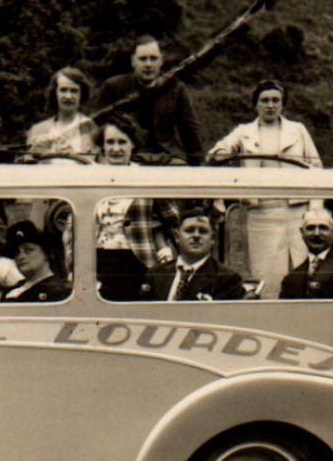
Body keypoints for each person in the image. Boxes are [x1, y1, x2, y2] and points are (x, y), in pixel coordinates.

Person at [208, 80, 323, 298]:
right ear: (256, 105)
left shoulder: (298, 130)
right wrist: (222, 151)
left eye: (275, 100)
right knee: (265, 271)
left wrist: (314, 210)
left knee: (303, 266)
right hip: (261, 213)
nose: (270, 105)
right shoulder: (244, 132)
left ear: (282, 104)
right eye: (265, 101)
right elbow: (222, 148)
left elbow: (316, 168)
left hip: (296, 211)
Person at [94, 117, 179, 301]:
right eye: (110, 142)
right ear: (102, 146)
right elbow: (71, 230)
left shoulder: (147, 178)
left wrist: (183, 263)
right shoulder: (91, 179)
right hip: (97, 262)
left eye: (122, 142)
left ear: (133, 144)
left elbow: (173, 222)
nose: (116, 149)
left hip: (138, 262)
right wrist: (74, 269)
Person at [96, 36, 203, 163]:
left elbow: (189, 130)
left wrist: (198, 162)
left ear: (161, 61)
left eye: (153, 58)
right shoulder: (113, 87)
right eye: (143, 59)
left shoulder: (176, 88)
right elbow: (98, 128)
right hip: (128, 155)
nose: (148, 64)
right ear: (133, 61)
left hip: (166, 156)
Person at [144, 210, 246, 302]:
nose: (196, 236)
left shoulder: (227, 278)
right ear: (177, 237)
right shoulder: (156, 273)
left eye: (203, 231)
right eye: (189, 230)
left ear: (212, 239)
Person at [279, 206, 333, 299]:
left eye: (323, 228)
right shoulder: (291, 278)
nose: (316, 233)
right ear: (302, 233)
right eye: (310, 228)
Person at [26, 68, 99, 156]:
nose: (68, 96)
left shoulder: (91, 128)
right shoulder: (38, 131)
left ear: (81, 94)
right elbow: (28, 164)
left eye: (74, 91)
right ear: (55, 93)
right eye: (63, 90)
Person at [1, 220, 70, 303]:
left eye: (28, 250)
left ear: (46, 253)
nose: (20, 257)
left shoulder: (59, 290)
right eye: (16, 252)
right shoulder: (11, 291)